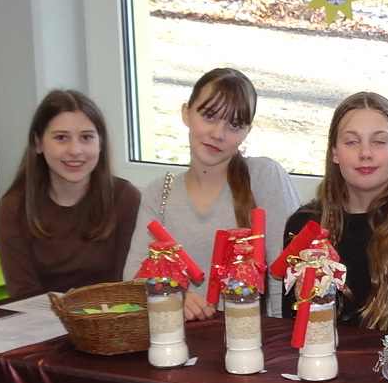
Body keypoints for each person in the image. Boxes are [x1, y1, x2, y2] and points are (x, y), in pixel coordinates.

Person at [122, 68, 300, 320]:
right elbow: (133, 278)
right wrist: (172, 296)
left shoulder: (263, 176)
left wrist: (280, 338)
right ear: (186, 113)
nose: (218, 134)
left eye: (234, 125)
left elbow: (285, 278)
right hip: (176, 334)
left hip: (249, 335)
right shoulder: (160, 192)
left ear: (247, 131)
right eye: (209, 116)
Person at [281, 92, 388, 337]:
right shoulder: (304, 226)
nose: (365, 153)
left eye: (379, 142)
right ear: (334, 153)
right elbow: (294, 324)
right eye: (352, 142)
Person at [0, 89, 142, 299]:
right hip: (40, 315)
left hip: (111, 314)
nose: (75, 150)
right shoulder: (14, 208)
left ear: (101, 143)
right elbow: (22, 293)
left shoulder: (125, 198)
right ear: (38, 143)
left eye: (86, 137)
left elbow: (128, 284)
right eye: (61, 138)